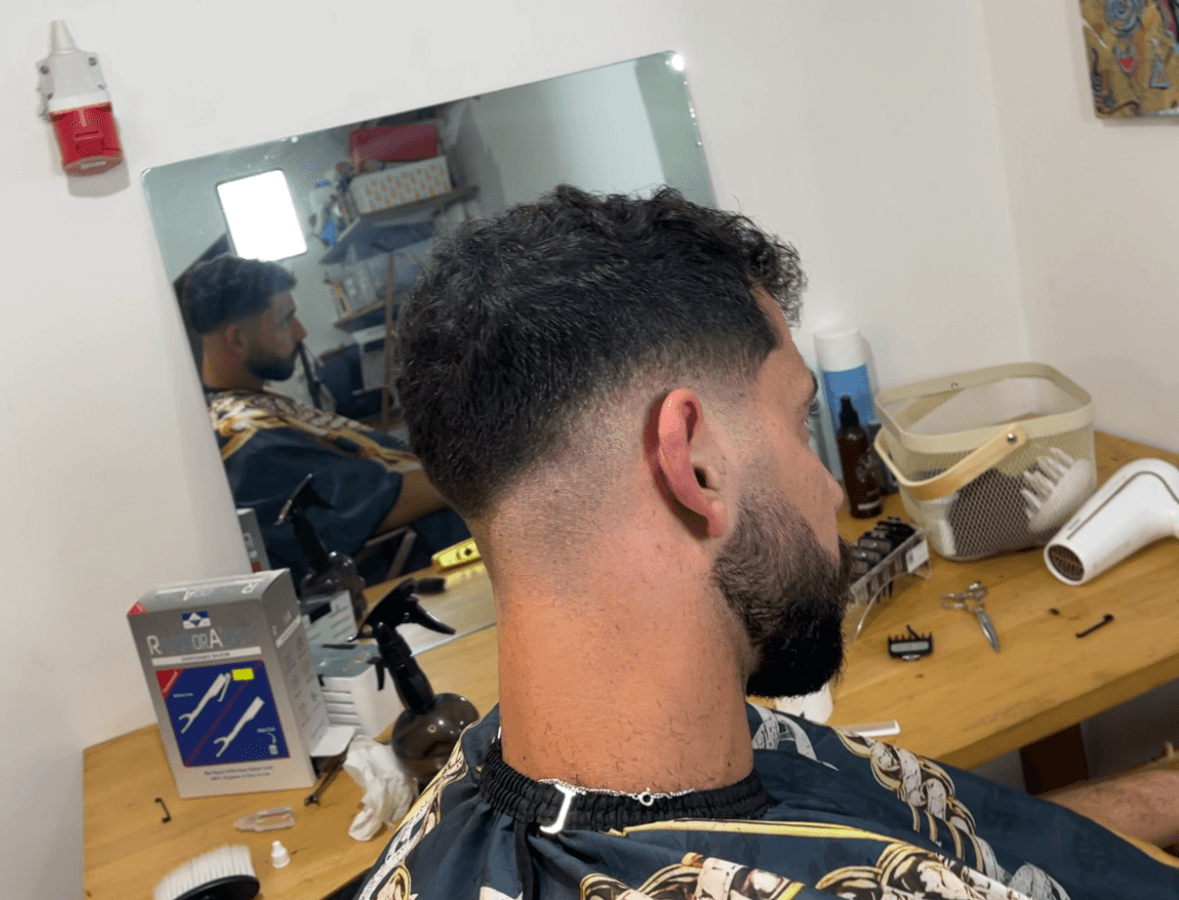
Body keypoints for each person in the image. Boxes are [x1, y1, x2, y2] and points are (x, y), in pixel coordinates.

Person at [350, 186, 1179, 900]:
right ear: (696, 467)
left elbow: (925, 852)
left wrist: (1157, 796)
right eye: (797, 422)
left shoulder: (490, 772)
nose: (830, 489)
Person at [181, 255, 467, 583]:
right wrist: (479, 474)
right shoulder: (249, 440)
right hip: (441, 551)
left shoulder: (256, 399)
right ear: (237, 340)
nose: (300, 332)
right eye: (285, 320)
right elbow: (377, 503)